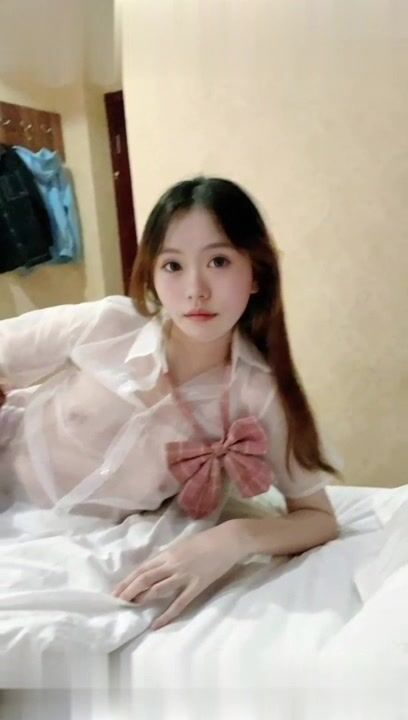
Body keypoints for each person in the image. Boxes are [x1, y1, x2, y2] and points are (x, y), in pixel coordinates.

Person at [0, 176, 340, 629]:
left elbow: (318, 517)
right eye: (173, 265)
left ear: (256, 274)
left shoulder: (256, 392)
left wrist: (235, 538)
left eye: (218, 261)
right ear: (153, 274)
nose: (196, 289)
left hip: (71, 542)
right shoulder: (107, 325)